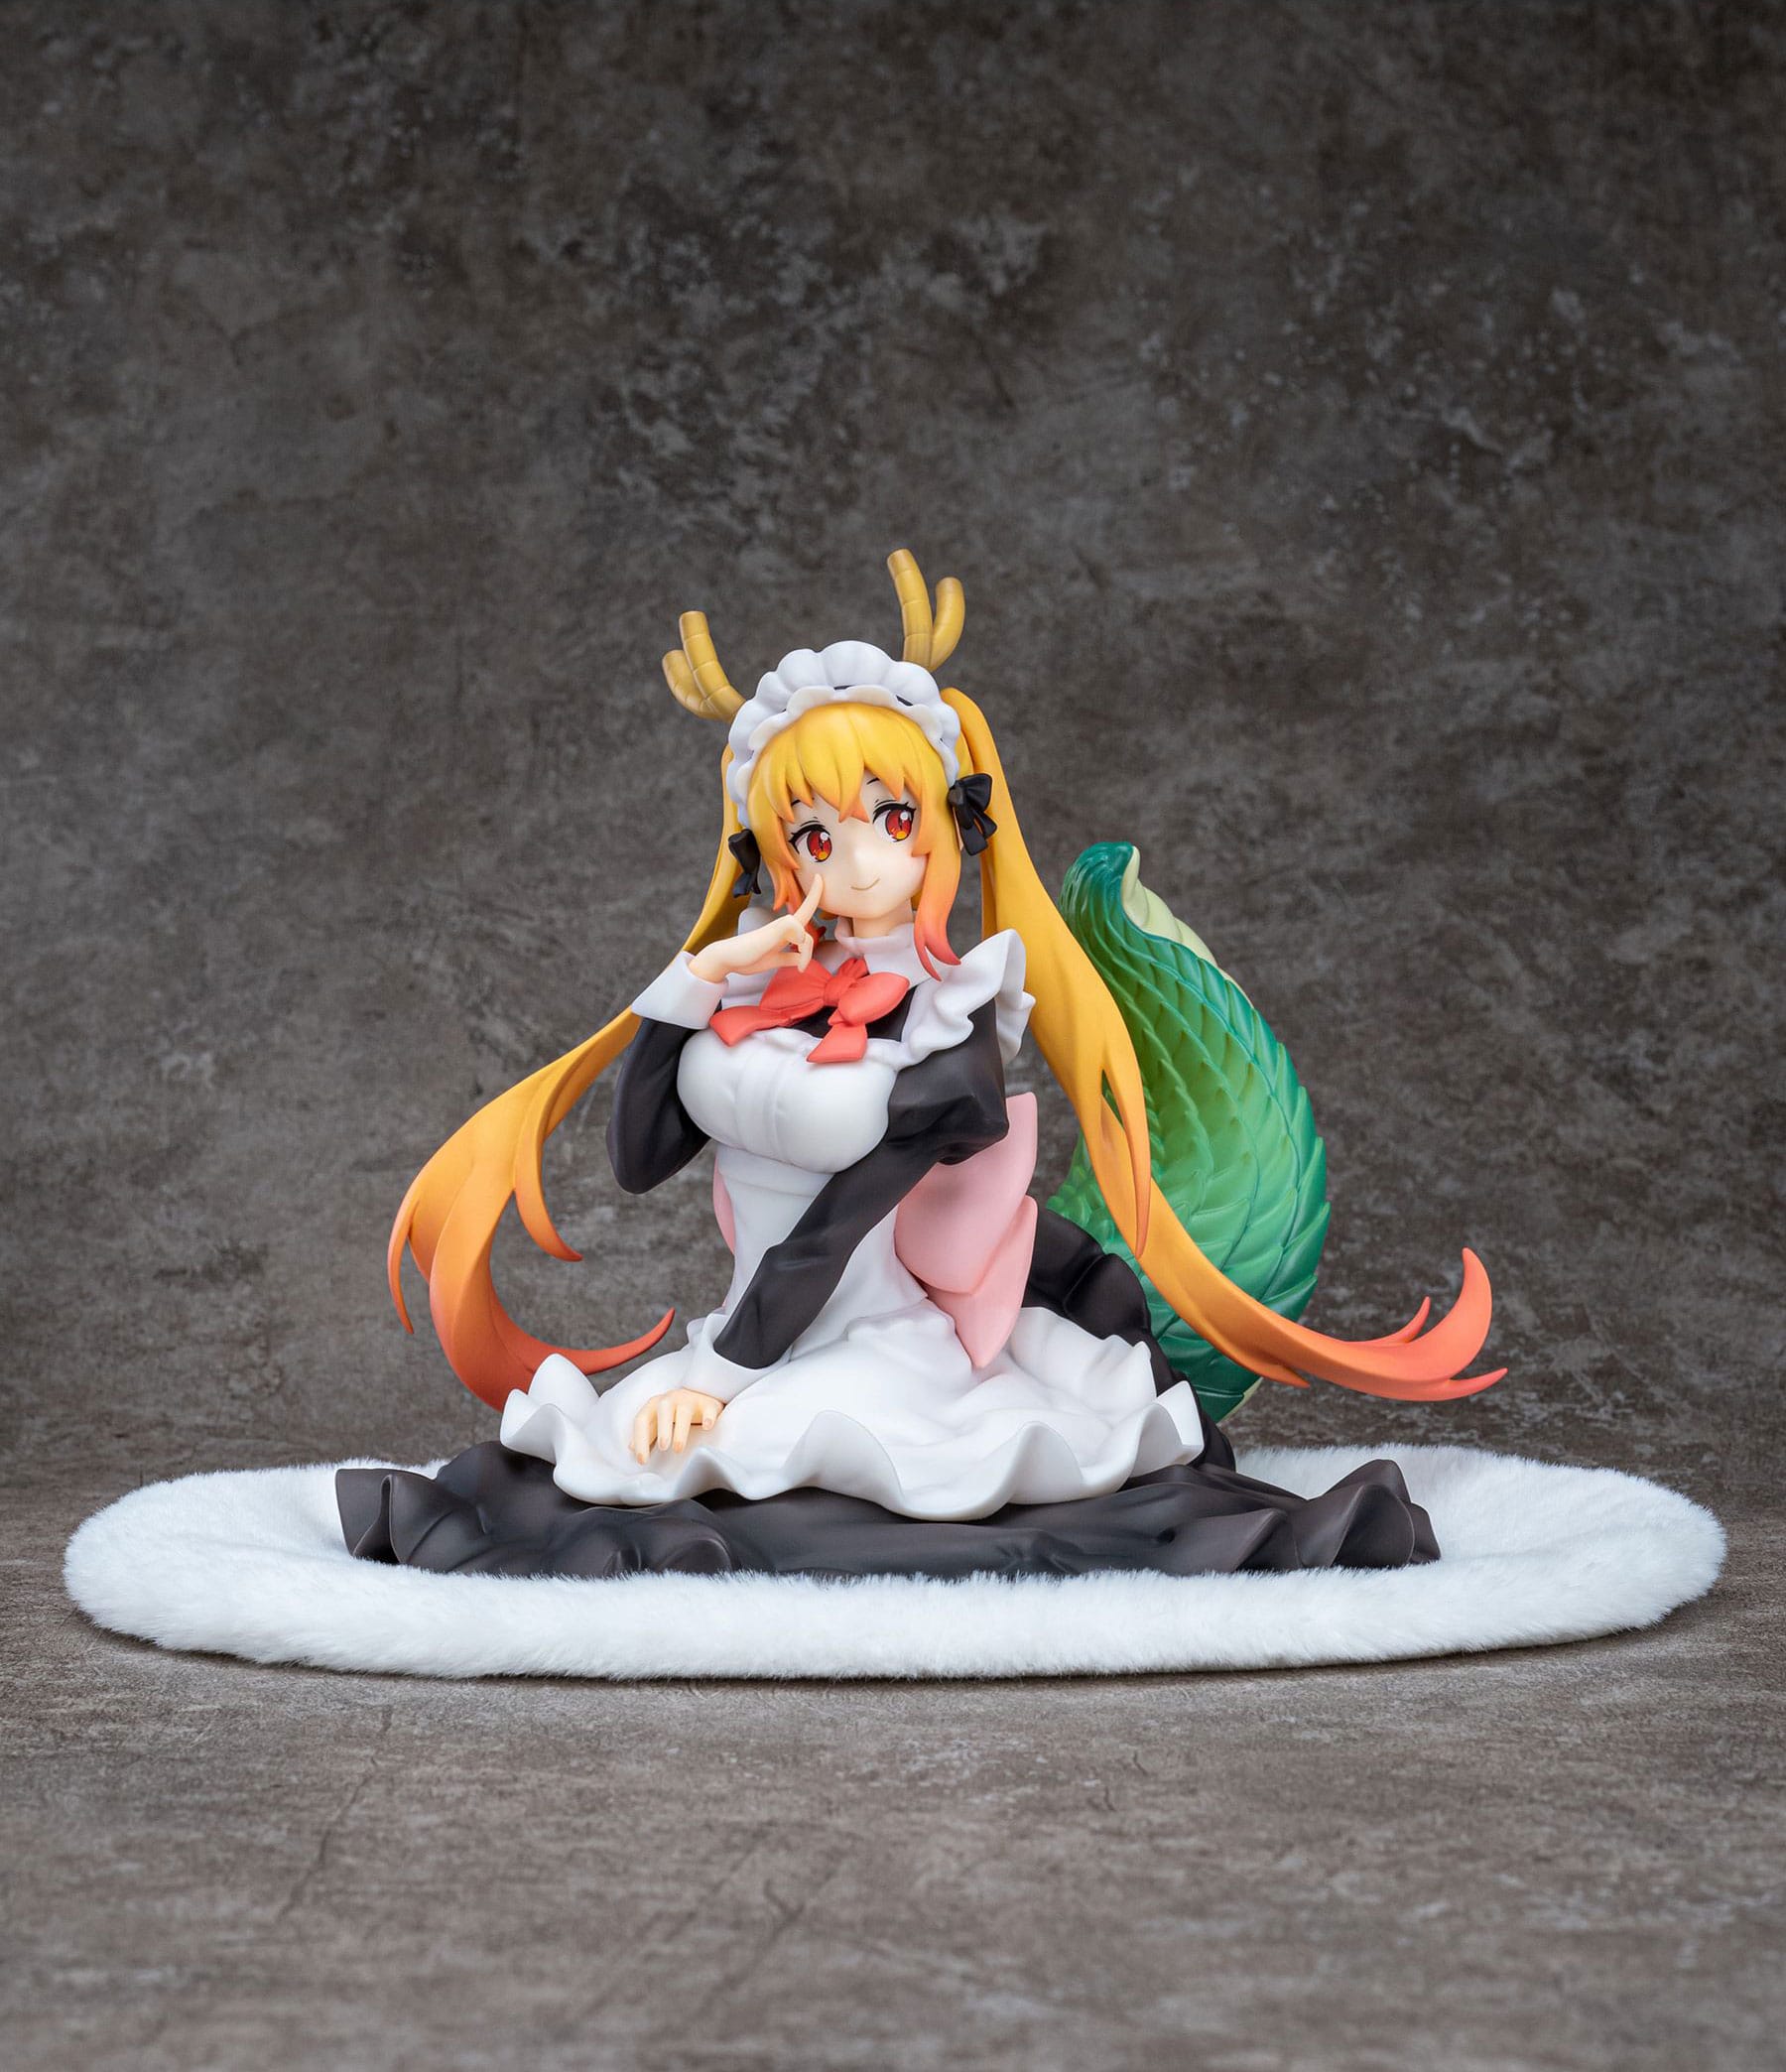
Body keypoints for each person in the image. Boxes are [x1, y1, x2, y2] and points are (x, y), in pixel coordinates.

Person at [339, 553, 1498, 1579]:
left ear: (944, 823)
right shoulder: (752, 993)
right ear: (771, 852)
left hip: (873, 1342)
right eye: (814, 835)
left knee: (762, 1475)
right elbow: (638, 1158)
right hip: (755, 1331)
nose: (854, 863)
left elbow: (841, 1222)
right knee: (601, 1477)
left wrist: (725, 1378)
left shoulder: (956, 1018)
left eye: (889, 819)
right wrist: (695, 981)